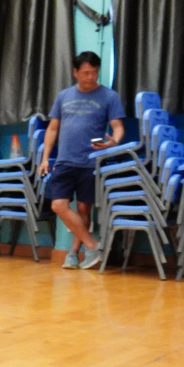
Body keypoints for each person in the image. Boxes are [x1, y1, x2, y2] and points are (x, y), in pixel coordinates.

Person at [39, 51, 125, 271]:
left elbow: (117, 127)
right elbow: (53, 128)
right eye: (86, 73)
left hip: (91, 163)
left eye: (94, 72)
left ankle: (73, 254)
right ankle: (93, 245)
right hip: (65, 161)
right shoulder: (63, 96)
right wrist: (45, 158)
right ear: (75, 72)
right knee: (58, 205)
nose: (90, 77)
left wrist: (113, 142)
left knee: (84, 209)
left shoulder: (109, 96)